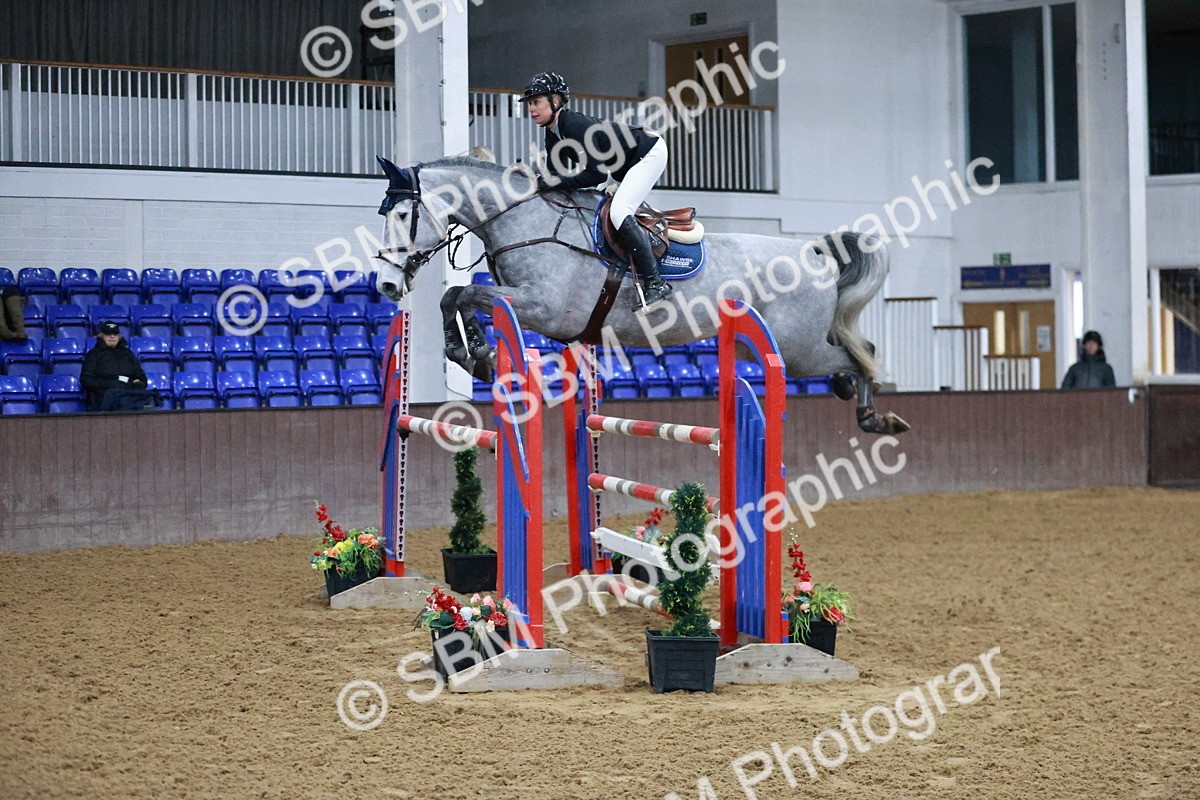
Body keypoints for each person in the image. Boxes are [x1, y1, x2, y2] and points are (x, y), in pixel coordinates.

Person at [518, 71, 672, 310]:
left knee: (620, 212)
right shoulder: (552, 134)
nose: (531, 108)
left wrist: (549, 182)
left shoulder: (573, 124)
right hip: (623, 165)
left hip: (648, 152)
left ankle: (656, 282)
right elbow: (552, 178)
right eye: (529, 104)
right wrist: (531, 179)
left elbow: (596, 175)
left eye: (536, 102)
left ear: (556, 101)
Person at [81, 321, 156, 411]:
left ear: (119, 336)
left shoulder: (128, 353)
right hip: (104, 396)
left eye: (115, 333)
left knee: (150, 397)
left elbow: (140, 376)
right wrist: (110, 384)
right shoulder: (93, 354)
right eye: (108, 333)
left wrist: (139, 382)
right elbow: (86, 380)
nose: (112, 336)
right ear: (101, 336)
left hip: (128, 391)